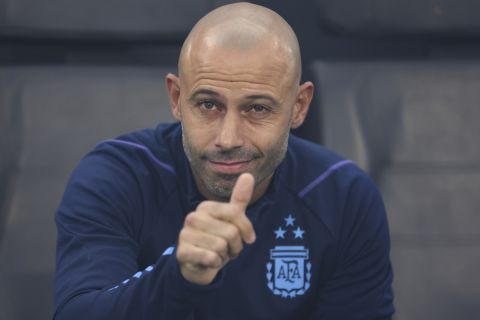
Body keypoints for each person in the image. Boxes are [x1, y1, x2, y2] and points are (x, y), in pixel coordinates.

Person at [54, 2, 394, 319]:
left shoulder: (344, 196)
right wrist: (179, 274)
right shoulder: (114, 177)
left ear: (299, 106)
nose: (228, 139)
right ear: (176, 98)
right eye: (208, 104)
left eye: (257, 108)